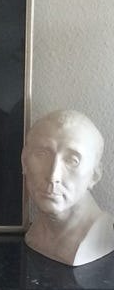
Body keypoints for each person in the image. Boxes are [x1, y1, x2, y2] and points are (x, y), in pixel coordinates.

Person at [22, 109, 114, 266]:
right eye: (42, 154)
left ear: (95, 175)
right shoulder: (35, 233)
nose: (53, 176)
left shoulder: (99, 237)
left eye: (72, 160)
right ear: (24, 162)